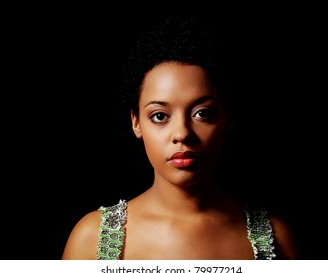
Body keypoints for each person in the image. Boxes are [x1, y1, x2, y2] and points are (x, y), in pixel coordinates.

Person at [62, 16, 299, 260]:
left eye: (202, 113)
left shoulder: (277, 238)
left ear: (228, 117)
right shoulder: (90, 238)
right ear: (136, 122)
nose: (182, 133)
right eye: (159, 116)